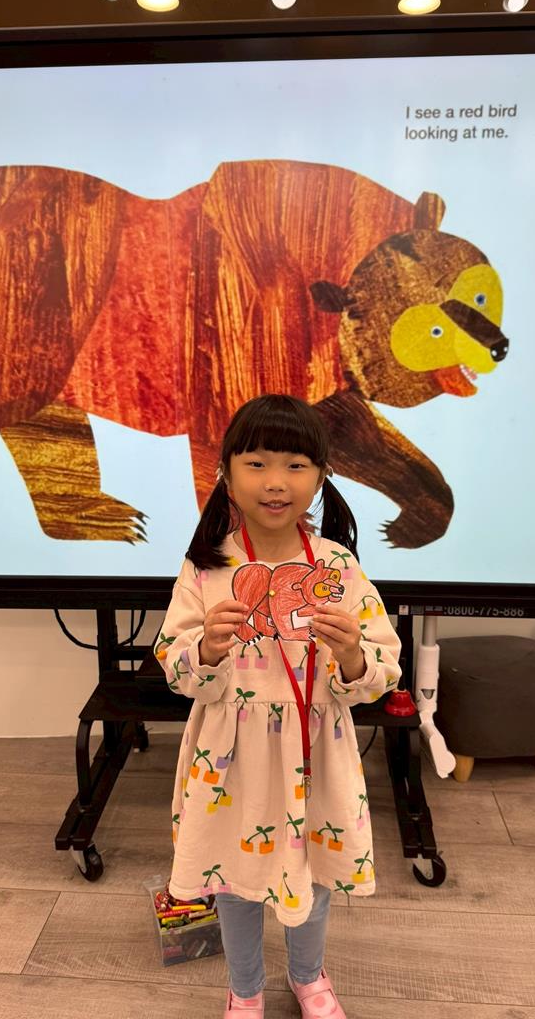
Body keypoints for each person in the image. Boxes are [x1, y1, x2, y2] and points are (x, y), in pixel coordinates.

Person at [154, 394, 402, 1019]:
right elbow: (172, 661)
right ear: (226, 474)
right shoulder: (206, 567)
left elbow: (383, 668)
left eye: (296, 465)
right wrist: (205, 649)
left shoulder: (338, 566)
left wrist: (352, 657)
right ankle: (245, 987)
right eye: (257, 463)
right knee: (232, 881)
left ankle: (308, 976)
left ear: (321, 476)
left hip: (316, 754)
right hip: (229, 759)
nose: (275, 482)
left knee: (313, 873)